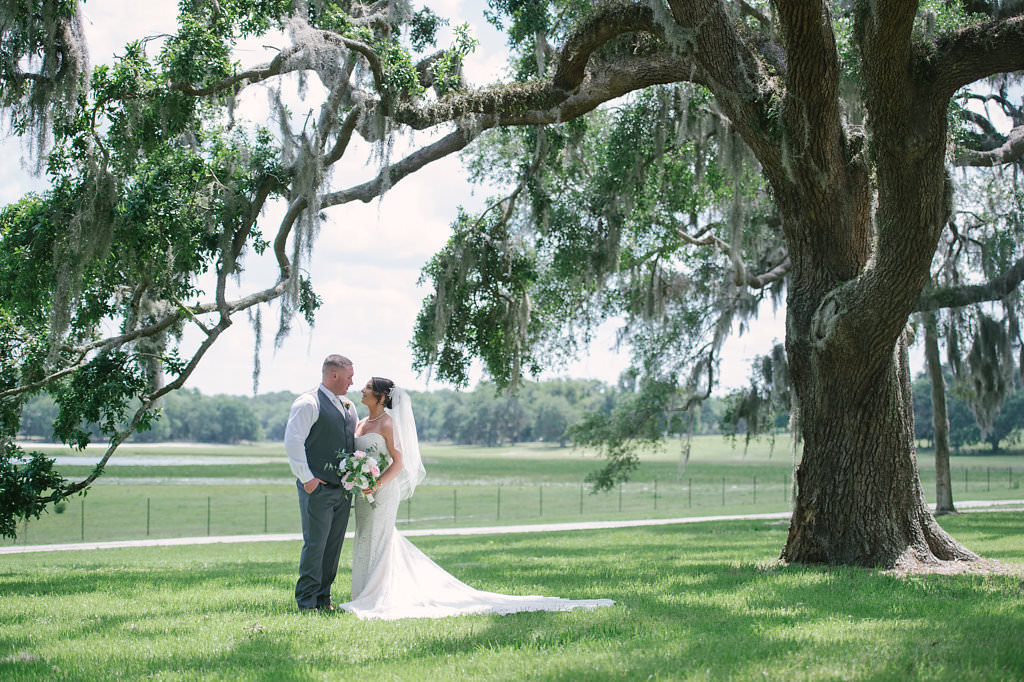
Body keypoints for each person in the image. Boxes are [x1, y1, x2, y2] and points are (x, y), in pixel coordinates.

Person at [340, 376, 614, 620]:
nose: (361, 390)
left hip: (382, 491)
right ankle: (363, 592)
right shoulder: (362, 422)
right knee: (364, 536)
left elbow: (398, 462)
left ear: (381, 396)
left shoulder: (388, 423)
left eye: (367, 387)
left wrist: (376, 484)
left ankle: (376, 596)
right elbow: (360, 456)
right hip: (364, 492)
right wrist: (358, 478)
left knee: (379, 537)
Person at [284, 354, 357, 612]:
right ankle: (306, 601)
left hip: (343, 490)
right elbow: (293, 442)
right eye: (349, 376)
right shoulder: (308, 403)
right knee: (315, 545)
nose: (352, 381)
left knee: (333, 547)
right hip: (317, 488)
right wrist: (308, 480)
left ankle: (323, 599)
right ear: (334, 375)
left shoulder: (349, 406)